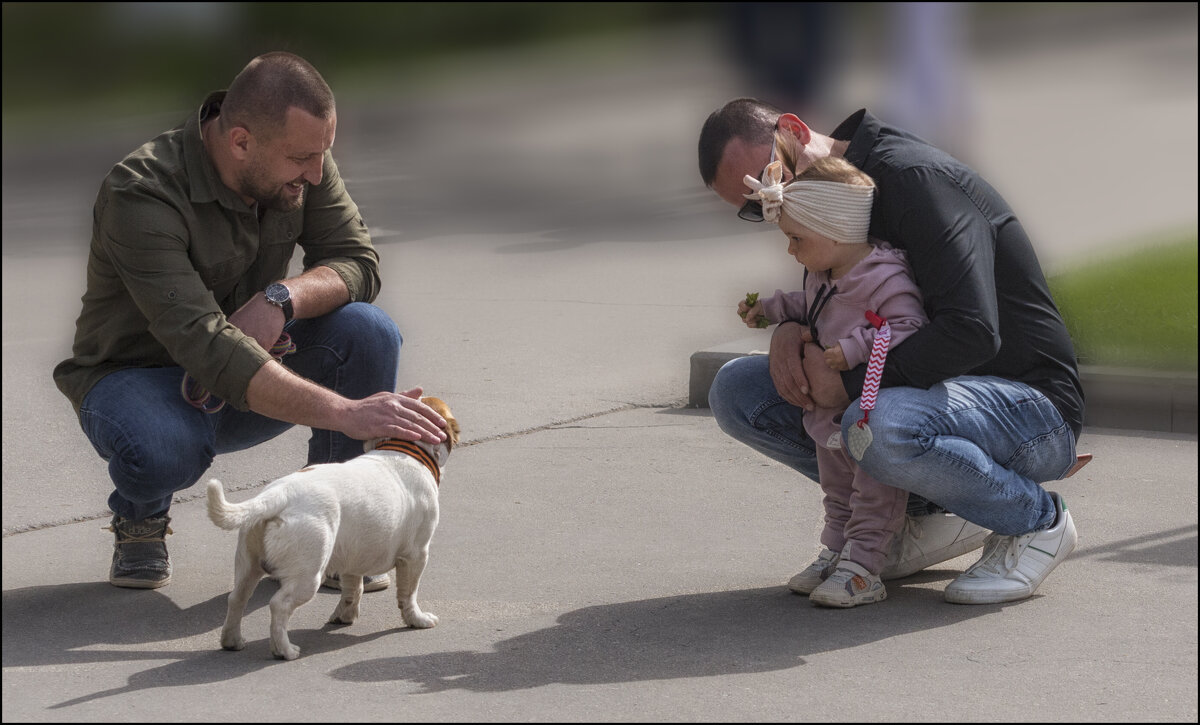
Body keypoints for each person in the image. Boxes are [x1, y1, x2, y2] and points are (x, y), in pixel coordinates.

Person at [53, 52, 448, 592]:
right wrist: (348, 412)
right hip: (140, 382)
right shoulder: (140, 194)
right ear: (240, 142)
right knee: (162, 447)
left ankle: (332, 537)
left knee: (367, 331)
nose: (315, 173)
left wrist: (279, 298)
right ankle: (140, 514)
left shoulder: (301, 161)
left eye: (322, 155)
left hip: (248, 373)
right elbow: (205, 344)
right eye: (302, 159)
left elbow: (358, 261)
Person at [698, 99, 1085, 605]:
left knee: (873, 421)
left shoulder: (916, 182)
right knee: (739, 391)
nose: (771, 202)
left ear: (792, 131)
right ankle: (918, 518)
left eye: (766, 182)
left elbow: (971, 330)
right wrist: (790, 328)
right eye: (753, 208)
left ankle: (1036, 521)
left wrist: (850, 383)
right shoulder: (826, 198)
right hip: (928, 400)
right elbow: (837, 305)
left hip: (1028, 407)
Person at [738, 152, 928, 607]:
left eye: (796, 238)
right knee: (837, 487)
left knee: (873, 489)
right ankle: (837, 550)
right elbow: (812, 306)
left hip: (866, 408)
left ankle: (865, 568)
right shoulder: (823, 273)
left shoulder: (884, 277)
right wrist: (770, 309)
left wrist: (856, 348)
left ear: (836, 231)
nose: (791, 250)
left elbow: (908, 327)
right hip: (827, 411)